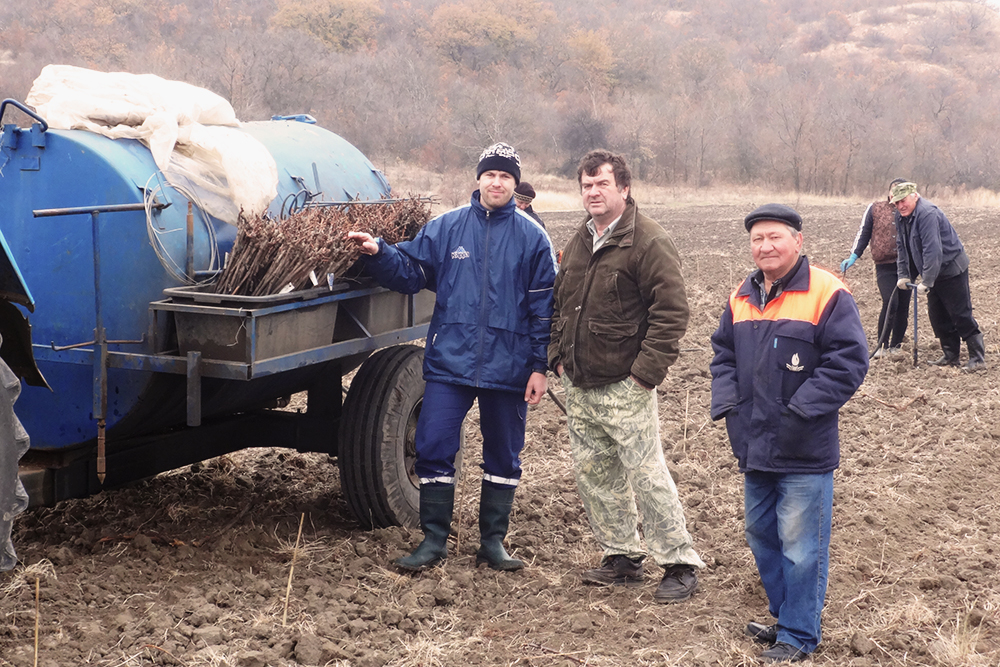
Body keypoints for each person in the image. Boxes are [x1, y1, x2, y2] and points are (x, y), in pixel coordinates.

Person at [346, 142, 556, 572]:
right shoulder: (447, 229)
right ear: (478, 179)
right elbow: (409, 274)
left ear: (515, 185)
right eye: (490, 174)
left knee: (504, 454)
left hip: (510, 365)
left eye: (505, 177)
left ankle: (492, 543)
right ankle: (433, 539)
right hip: (451, 362)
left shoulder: (533, 238)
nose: (497, 182)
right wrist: (379, 253)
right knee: (432, 445)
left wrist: (539, 366)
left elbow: (543, 310)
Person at [710, 204, 869, 663]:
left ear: (798, 241)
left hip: (803, 446)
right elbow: (722, 354)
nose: (766, 246)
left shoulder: (827, 293)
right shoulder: (740, 297)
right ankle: (785, 619)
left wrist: (800, 409)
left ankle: (799, 634)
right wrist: (728, 406)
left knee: (802, 547)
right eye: (758, 238)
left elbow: (849, 362)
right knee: (762, 535)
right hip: (753, 445)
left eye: (775, 237)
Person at [548, 149, 704, 604]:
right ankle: (621, 557)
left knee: (647, 474)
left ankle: (678, 562)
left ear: (624, 188)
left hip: (624, 384)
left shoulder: (649, 240)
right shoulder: (581, 238)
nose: (593, 193)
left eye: (602, 184)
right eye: (586, 186)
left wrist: (643, 376)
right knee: (596, 475)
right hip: (579, 382)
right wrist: (557, 357)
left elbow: (672, 313)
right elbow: (561, 303)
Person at [890, 180, 986, 371]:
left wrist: (927, 281)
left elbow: (932, 250)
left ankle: (977, 358)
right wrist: (903, 274)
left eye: (903, 201)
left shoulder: (927, 214)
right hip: (933, 271)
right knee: (938, 315)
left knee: (960, 313)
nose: (900, 206)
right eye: (896, 202)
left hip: (951, 268)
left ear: (914, 196)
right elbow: (902, 247)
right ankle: (951, 355)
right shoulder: (901, 217)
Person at [839, 180, 910, 357]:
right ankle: (882, 345)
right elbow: (864, 232)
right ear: (889, 192)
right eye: (895, 192)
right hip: (884, 265)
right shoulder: (875, 209)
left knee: (903, 306)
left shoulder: (910, 210)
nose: (897, 197)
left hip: (906, 265)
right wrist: (854, 255)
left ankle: (896, 346)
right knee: (891, 301)